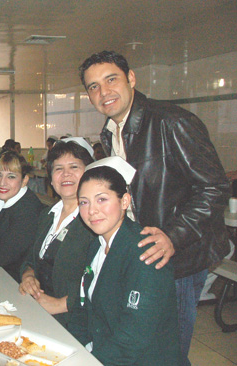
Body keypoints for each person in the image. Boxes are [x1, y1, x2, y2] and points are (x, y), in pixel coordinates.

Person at [79, 50, 230, 365]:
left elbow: (214, 187)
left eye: (111, 80)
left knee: (166, 349)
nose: (103, 92)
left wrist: (173, 237)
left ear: (131, 79)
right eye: (93, 86)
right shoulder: (111, 132)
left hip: (177, 256)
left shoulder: (171, 122)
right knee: (139, 338)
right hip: (141, 251)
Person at [69, 162, 179, 365]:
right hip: (103, 351)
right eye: (84, 202)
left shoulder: (145, 252)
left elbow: (134, 336)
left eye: (102, 199)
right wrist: (71, 348)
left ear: (125, 201)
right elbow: (82, 308)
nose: (92, 210)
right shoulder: (97, 245)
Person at [19, 140, 95, 328]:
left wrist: (62, 304)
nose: (66, 174)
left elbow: (105, 280)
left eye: (74, 167)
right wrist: (28, 276)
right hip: (40, 314)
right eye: (58, 168)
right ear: (51, 179)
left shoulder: (96, 220)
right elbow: (31, 258)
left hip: (77, 323)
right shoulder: (47, 215)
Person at [0, 151, 44, 281]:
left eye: (11, 176)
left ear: (24, 180)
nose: (2, 183)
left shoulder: (26, 210)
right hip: (3, 275)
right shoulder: (8, 200)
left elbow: (1, 257)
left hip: (17, 283)